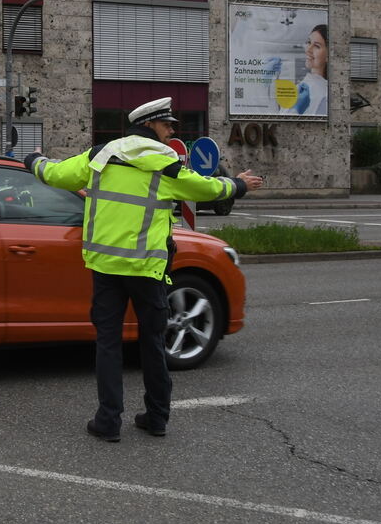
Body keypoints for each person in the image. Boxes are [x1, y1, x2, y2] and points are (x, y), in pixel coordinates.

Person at [24, 97, 264, 441]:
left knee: (108, 344)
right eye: (168, 126)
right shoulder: (164, 163)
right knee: (151, 343)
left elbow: (56, 174)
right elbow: (206, 187)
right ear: (150, 124)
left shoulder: (100, 155)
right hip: (147, 271)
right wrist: (239, 185)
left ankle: (107, 422)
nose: (171, 133)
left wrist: (34, 160)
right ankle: (156, 418)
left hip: (105, 267)